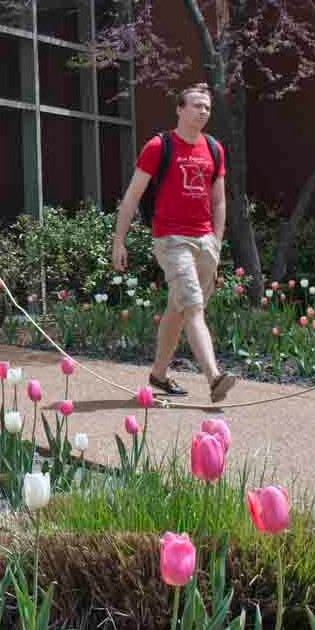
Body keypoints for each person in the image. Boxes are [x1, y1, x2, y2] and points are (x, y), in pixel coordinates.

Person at [111, 84, 238, 404]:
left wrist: (217, 241)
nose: (203, 111)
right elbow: (131, 197)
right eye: (196, 105)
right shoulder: (159, 146)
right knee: (193, 306)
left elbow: (219, 200)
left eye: (207, 107)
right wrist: (118, 242)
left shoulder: (214, 148)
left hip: (205, 240)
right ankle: (214, 377)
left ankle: (158, 373)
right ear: (180, 109)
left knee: (178, 309)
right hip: (171, 240)